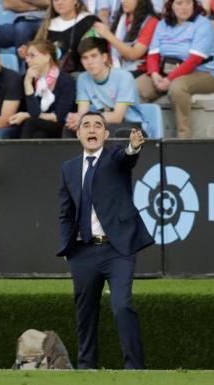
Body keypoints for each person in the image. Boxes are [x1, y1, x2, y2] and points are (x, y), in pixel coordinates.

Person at [57, 111, 154, 369]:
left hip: (117, 250)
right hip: (82, 252)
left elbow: (127, 157)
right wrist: (68, 248)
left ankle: (135, 369)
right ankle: (86, 368)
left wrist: (133, 146)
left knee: (122, 306)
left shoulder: (114, 158)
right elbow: (66, 213)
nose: (92, 129)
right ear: (78, 134)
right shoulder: (69, 168)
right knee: (85, 315)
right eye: (86, 125)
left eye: (98, 125)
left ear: (106, 134)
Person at [135, 0, 214, 138]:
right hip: (165, 72)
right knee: (136, 87)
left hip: (203, 73)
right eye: (179, 3)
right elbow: (153, 55)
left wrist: (169, 79)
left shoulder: (203, 24)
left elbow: (193, 60)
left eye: (188, 3)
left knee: (177, 87)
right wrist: (155, 74)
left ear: (194, 4)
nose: (184, 7)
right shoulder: (162, 24)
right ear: (170, 6)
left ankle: (183, 136)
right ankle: (147, 134)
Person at [67, 37, 149, 137]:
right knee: (70, 129)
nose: (89, 62)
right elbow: (82, 112)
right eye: (85, 58)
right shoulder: (82, 78)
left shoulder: (124, 77)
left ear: (104, 57)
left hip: (133, 126)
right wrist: (75, 120)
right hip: (101, 123)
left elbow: (117, 117)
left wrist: (85, 120)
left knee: (105, 131)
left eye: (94, 56)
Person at [8, 39, 75, 138]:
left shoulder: (65, 80)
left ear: (47, 57)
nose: (27, 60)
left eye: (32, 56)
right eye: (27, 56)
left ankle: (20, 154)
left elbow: (58, 116)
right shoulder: (27, 79)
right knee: (38, 135)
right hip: (37, 126)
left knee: (31, 122)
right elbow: (35, 112)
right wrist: (27, 82)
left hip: (60, 126)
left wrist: (27, 115)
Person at [91, 0, 159, 78]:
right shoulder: (121, 17)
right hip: (113, 66)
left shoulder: (152, 21)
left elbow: (133, 54)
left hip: (136, 70)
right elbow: (111, 50)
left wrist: (108, 34)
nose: (123, 1)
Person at [33, 0, 99, 74]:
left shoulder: (89, 21)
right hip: (53, 77)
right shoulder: (48, 25)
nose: (59, 2)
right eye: (56, 0)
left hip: (84, 74)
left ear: (75, 1)